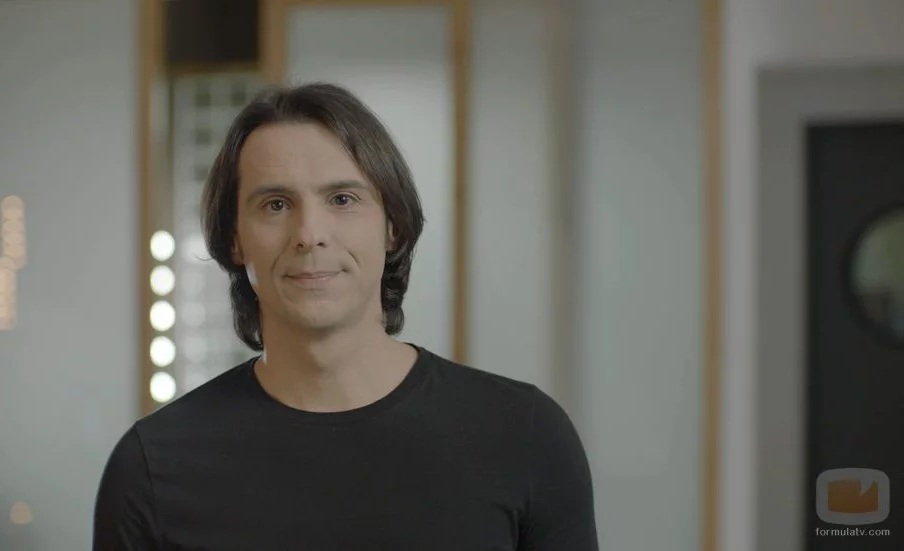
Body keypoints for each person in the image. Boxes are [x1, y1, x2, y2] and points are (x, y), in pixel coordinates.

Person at [93, 82, 598, 550]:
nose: (310, 234)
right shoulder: (153, 467)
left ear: (393, 226)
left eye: (342, 199)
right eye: (275, 204)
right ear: (234, 240)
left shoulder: (524, 437)